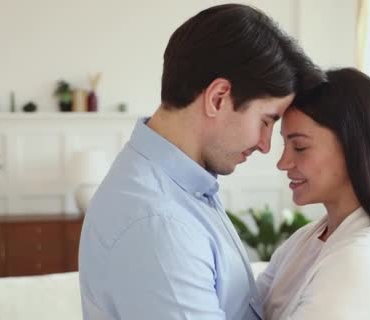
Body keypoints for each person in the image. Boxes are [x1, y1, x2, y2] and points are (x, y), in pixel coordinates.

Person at [78, 4, 325, 320]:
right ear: (218, 97)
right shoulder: (158, 224)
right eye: (266, 121)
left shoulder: (181, 188)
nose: (266, 145)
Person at [256, 68, 370, 319]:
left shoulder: (362, 258)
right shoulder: (306, 239)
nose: (283, 162)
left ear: (353, 149)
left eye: (300, 147)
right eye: (285, 145)